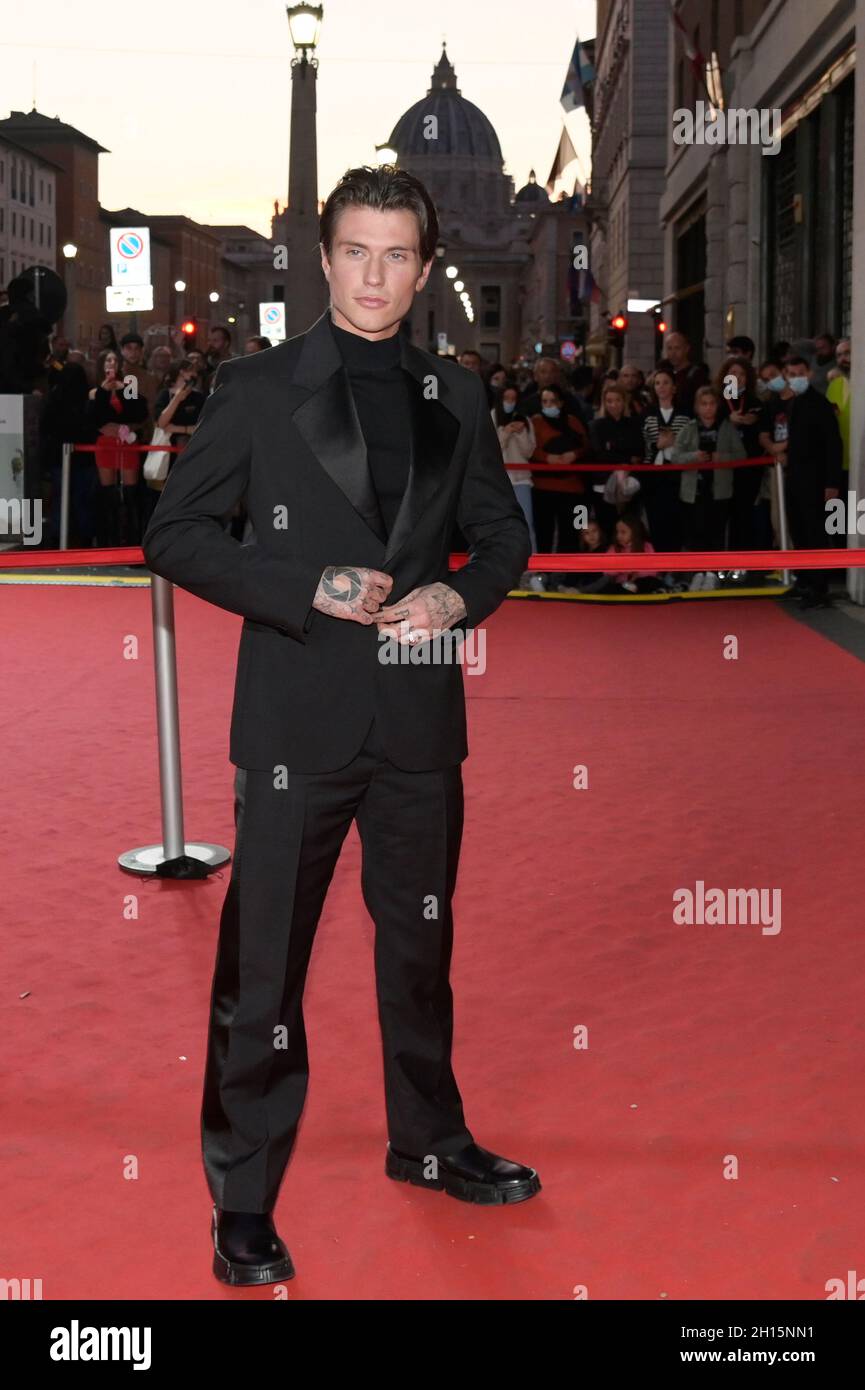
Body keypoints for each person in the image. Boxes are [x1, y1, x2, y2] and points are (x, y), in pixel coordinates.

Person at [141, 163, 538, 1288]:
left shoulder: (453, 394)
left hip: (417, 721)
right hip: (293, 726)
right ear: (324, 258)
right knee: (262, 968)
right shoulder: (257, 387)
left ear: (424, 266)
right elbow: (175, 532)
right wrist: (300, 584)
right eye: (354, 251)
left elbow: (499, 537)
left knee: (420, 950)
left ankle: (428, 1138)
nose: (374, 275)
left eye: (396, 255)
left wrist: (459, 594)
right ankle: (245, 1196)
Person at [760, 357, 843, 607]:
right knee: (798, 530)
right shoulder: (794, 403)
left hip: (816, 480)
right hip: (795, 478)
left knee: (814, 533)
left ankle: (819, 588)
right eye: (791, 373)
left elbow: (833, 445)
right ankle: (804, 580)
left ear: (808, 373)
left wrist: (832, 483)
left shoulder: (820, 404)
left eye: (800, 373)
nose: (795, 377)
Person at [672, 385, 745, 590]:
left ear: (717, 405)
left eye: (712, 403)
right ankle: (698, 572)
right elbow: (676, 457)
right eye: (703, 404)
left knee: (716, 533)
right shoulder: (689, 428)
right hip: (693, 492)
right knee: (695, 534)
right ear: (697, 407)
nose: (708, 408)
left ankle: (713, 573)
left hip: (719, 491)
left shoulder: (726, 428)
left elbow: (741, 455)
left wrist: (723, 458)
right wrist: (693, 457)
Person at [86, 348, 149, 544]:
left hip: (127, 441)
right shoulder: (95, 391)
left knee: (131, 493)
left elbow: (138, 414)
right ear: (101, 365)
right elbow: (94, 418)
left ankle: (132, 541)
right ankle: (108, 541)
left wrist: (122, 390)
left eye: (115, 360)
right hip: (106, 443)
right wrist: (105, 391)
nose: (111, 364)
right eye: (108, 360)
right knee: (108, 492)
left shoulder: (128, 386)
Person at [529, 381, 589, 579]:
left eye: (553, 401)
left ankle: (570, 576)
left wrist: (573, 454)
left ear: (561, 402)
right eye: (545, 401)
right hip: (543, 488)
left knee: (571, 533)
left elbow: (586, 446)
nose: (549, 405)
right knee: (543, 534)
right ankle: (543, 576)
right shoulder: (534, 422)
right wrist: (548, 458)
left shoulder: (573, 422)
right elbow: (530, 448)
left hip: (572, 488)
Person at [715, 355, 767, 552]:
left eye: (741, 373)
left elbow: (763, 430)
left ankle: (741, 562)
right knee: (720, 516)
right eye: (733, 373)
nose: (737, 377)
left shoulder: (755, 402)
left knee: (743, 516)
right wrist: (728, 420)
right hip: (721, 468)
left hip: (748, 468)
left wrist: (753, 423)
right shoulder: (716, 400)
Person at [641, 363, 691, 557]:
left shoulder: (685, 414)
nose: (661, 387)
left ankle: (674, 564)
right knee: (655, 520)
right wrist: (657, 446)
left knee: (676, 520)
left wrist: (674, 444)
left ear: (674, 387)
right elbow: (642, 442)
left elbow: (689, 441)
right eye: (657, 383)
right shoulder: (647, 413)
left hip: (677, 474)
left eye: (665, 383)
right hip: (653, 475)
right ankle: (659, 565)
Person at [492, 380, 538, 569]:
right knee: (498, 523)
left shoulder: (525, 420)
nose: (510, 402)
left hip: (521, 479)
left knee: (526, 521)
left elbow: (529, 451)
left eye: (513, 398)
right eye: (506, 398)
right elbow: (491, 447)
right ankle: (499, 563)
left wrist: (518, 433)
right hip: (498, 480)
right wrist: (506, 431)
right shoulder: (493, 416)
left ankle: (532, 566)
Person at [588, 382, 644, 534]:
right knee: (607, 529)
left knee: (630, 529)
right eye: (609, 401)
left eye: (618, 400)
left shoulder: (633, 424)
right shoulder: (596, 426)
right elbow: (599, 455)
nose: (613, 405)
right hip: (603, 484)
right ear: (604, 403)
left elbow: (639, 452)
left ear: (624, 401)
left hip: (630, 484)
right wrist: (625, 459)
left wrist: (614, 452)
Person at [603, 512, 663, 593]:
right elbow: (607, 571)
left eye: (623, 532)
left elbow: (653, 571)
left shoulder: (646, 546)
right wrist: (623, 567)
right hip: (622, 584)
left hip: (641, 583)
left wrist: (636, 571)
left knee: (653, 582)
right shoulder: (614, 548)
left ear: (635, 532)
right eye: (617, 532)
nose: (618, 536)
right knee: (610, 588)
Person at [662, 330, 708, 414]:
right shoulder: (665, 373)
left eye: (677, 348)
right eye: (669, 348)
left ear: (686, 349)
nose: (673, 353)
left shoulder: (697, 374)